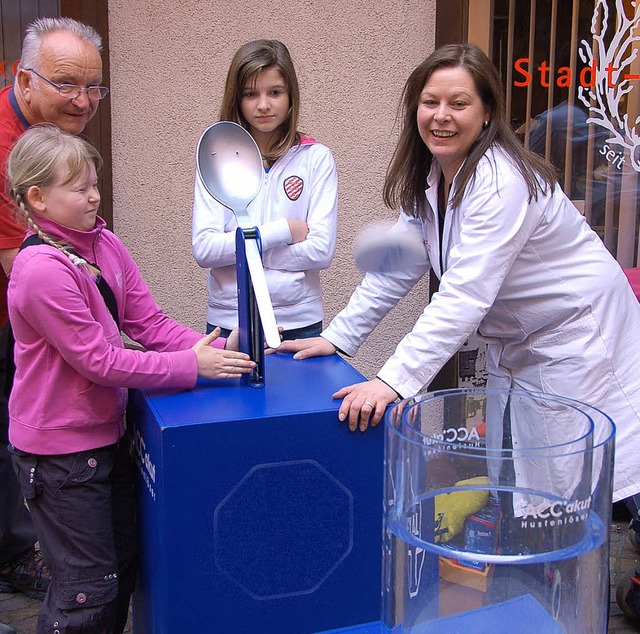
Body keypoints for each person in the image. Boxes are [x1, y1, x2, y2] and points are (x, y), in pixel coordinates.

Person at [278, 43, 640, 506]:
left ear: (487, 113)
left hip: (579, 340)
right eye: (430, 102)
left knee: (596, 477)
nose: (441, 116)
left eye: (459, 103)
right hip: (525, 346)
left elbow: (464, 296)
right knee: (548, 482)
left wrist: (392, 381)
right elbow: (396, 268)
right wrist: (339, 337)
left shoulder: (501, 180)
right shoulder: (433, 175)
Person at [5, 124, 255, 633]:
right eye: (78, 188)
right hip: (60, 457)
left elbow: (148, 322)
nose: (94, 196)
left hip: (108, 438)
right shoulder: (40, 269)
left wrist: (210, 345)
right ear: (38, 198)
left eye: (95, 183)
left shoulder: (105, 244)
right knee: (85, 592)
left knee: (118, 571)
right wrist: (191, 367)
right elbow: (98, 360)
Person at [0, 16, 107, 603]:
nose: (83, 100)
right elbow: (26, 265)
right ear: (24, 78)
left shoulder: (56, 147)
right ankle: (19, 557)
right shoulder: (3, 146)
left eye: (94, 87)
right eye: (68, 84)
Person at [192, 39, 338, 341]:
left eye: (275, 92)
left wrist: (245, 251)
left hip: (299, 318)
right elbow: (205, 249)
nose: (263, 105)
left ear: (290, 95)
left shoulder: (316, 158)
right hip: (229, 318)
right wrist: (282, 231)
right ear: (237, 98)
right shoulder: (215, 158)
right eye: (250, 94)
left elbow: (321, 251)